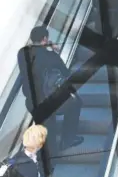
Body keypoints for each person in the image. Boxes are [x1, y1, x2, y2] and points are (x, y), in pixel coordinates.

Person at [17, 27, 84, 155]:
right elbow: (66, 73)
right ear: (45, 39)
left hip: (32, 101)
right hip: (50, 100)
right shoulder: (51, 56)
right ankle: (67, 140)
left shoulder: (22, 54)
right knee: (76, 103)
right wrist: (53, 50)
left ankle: (47, 159)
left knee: (47, 127)